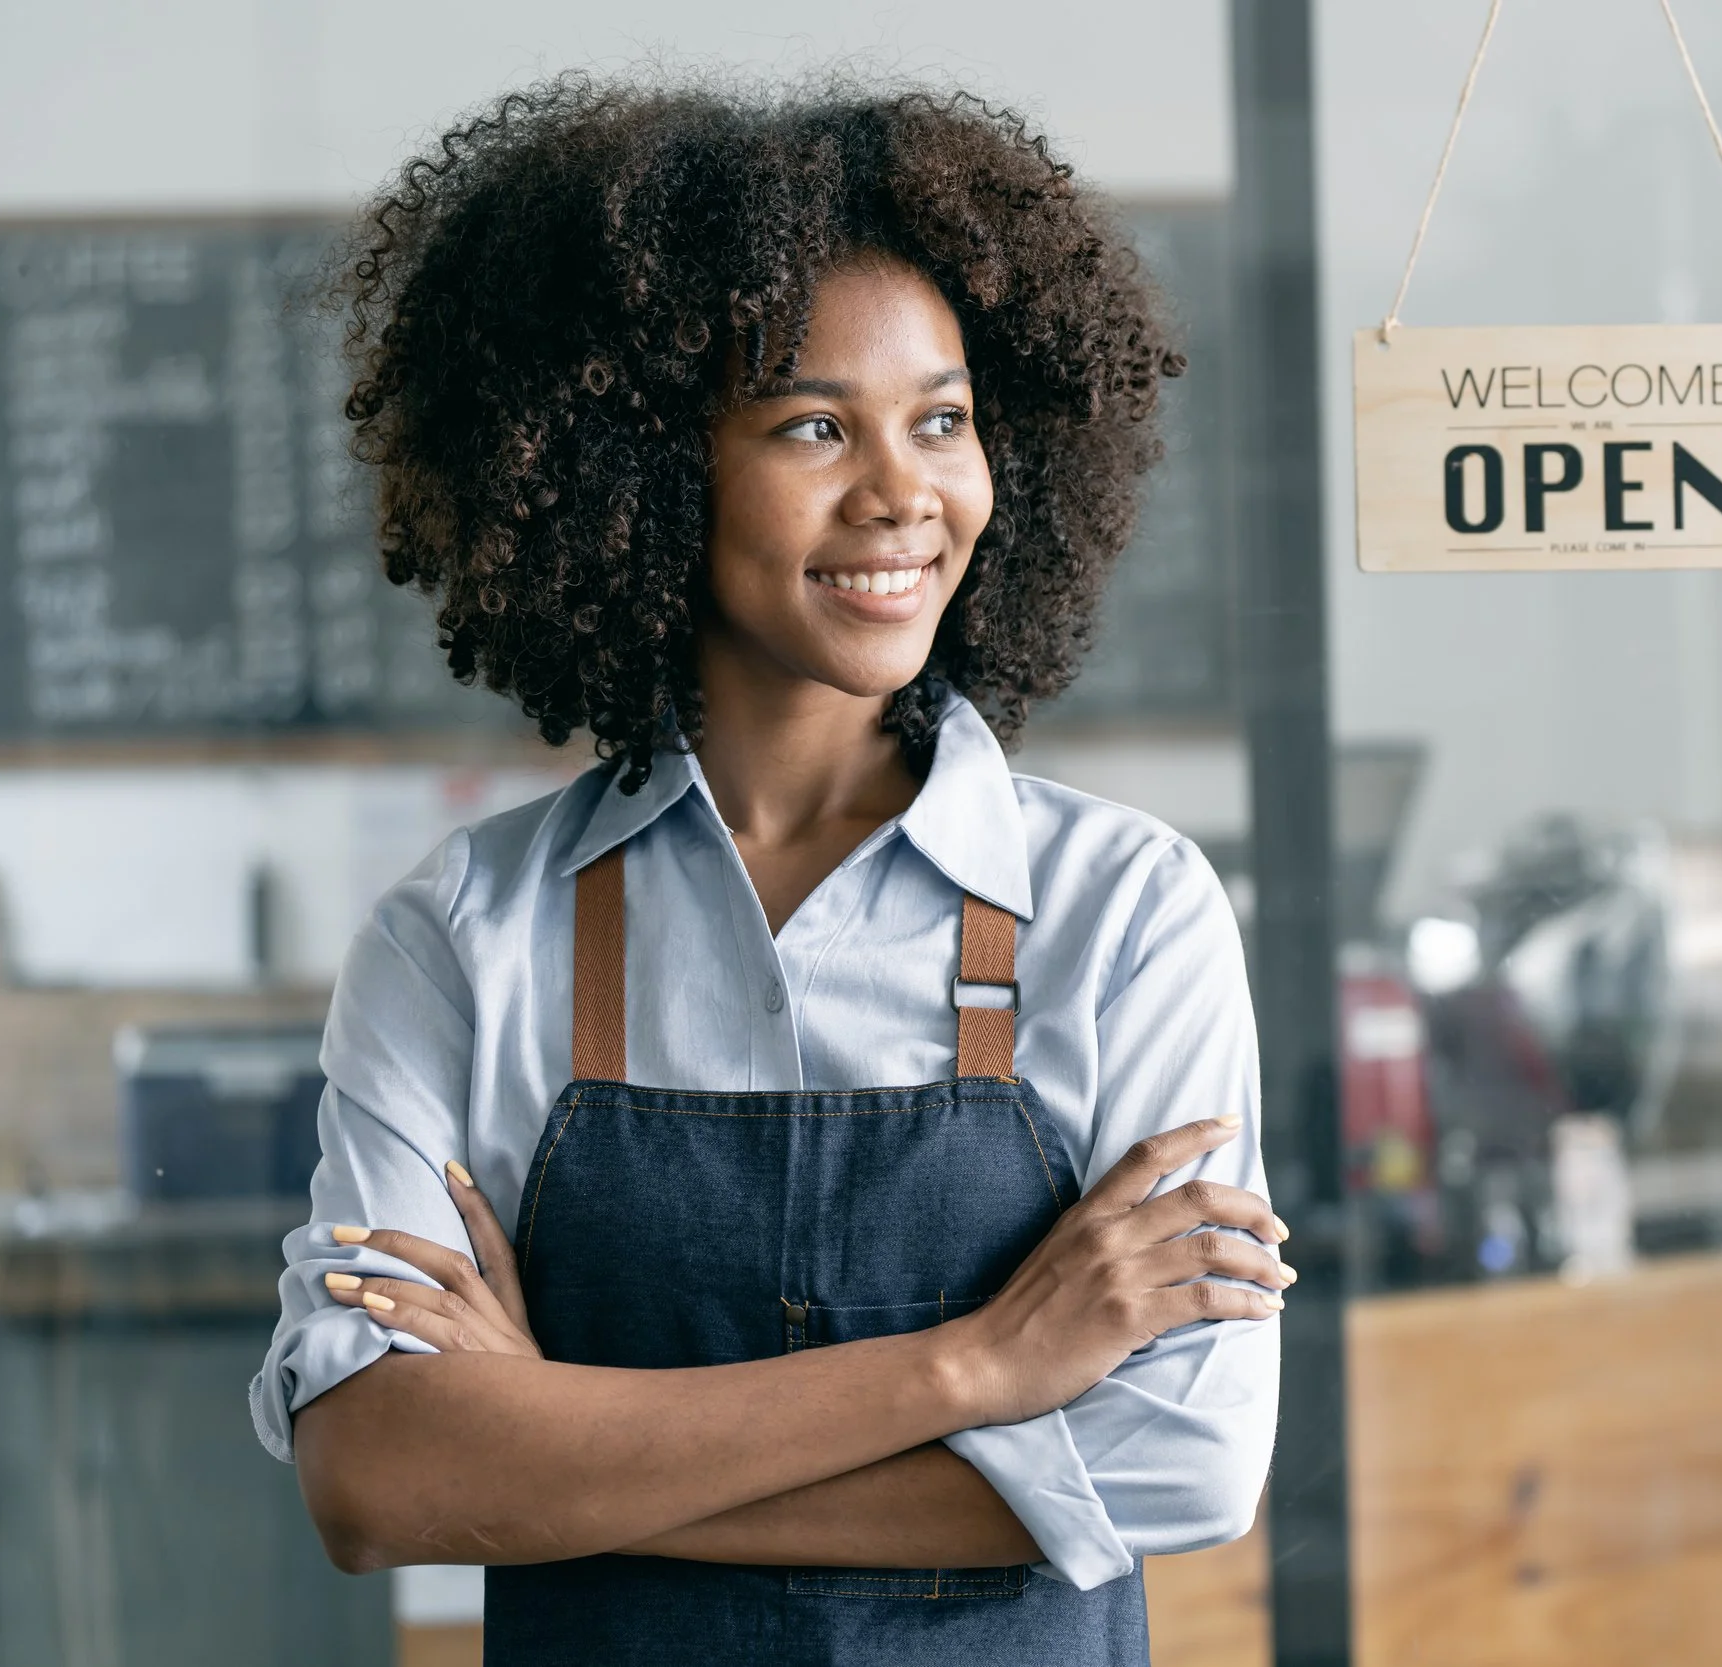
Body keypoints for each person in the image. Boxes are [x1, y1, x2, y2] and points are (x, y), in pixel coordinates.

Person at [251, 76, 1285, 1666]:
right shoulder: (467, 935)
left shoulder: (1128, 911)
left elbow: (1183, 1461)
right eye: (814, 424)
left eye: (942, 419)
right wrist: (979, 1371)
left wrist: (551, 1455)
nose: (903, 493)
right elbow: (378, 1473)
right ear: (647, 472)